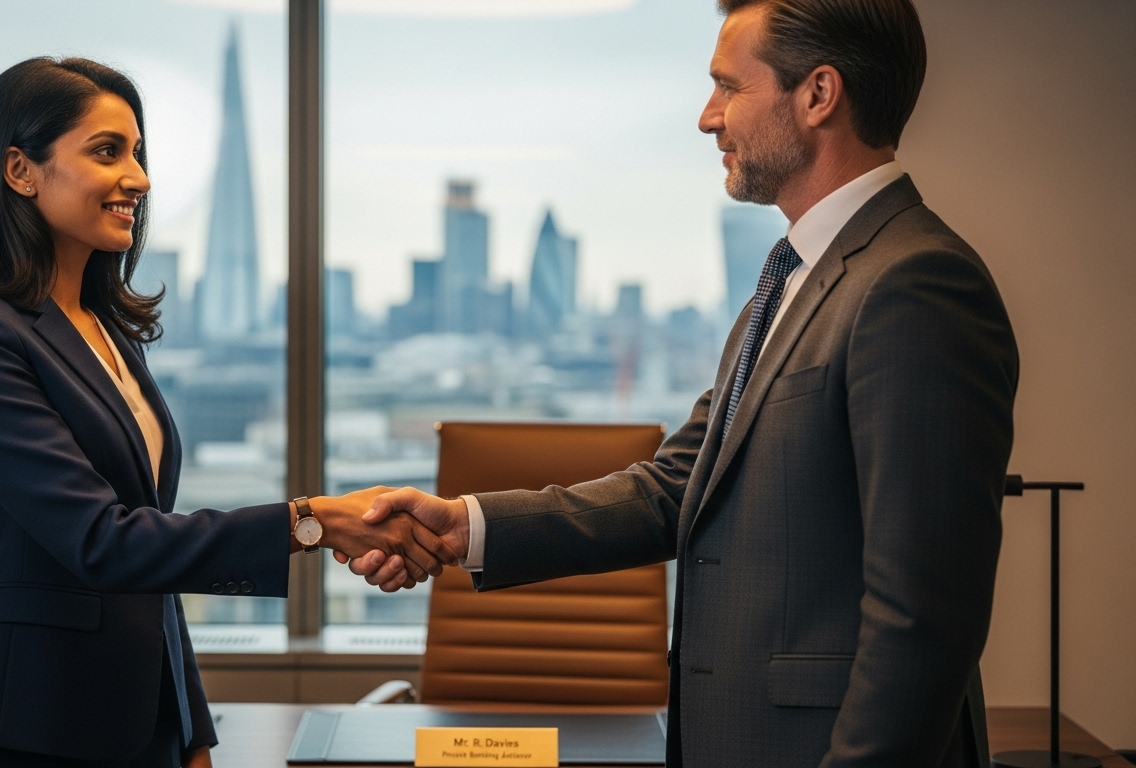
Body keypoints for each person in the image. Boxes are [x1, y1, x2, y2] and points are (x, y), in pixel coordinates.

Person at [341, 1, 1019, 766]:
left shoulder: (915, 285)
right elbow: (678, 488)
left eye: (729, 86)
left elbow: (924, 618)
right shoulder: (789, 282)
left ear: (818, 94)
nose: (707, 117)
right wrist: (465, 527)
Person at [0, 57, 456, 768]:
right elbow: (102, 542)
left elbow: (151, 563)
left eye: (138, 153)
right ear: (21, 170)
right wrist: (311, 521)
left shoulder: (104, 329)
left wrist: (191, 728)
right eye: (107, 151)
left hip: (144, 726)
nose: (138, 178)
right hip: (27, 729)